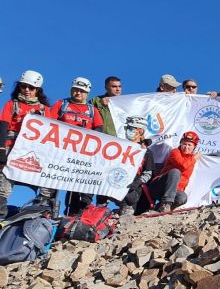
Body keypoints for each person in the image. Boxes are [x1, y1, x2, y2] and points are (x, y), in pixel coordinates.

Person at [0, 70, 56, 218]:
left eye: (31, 88)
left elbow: (52, 133)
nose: (26, 90)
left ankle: (40, 211)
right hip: (11, 145)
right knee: (4, 178)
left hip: (34, 149)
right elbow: (3, 126)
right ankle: (0, 213)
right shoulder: (12, 104)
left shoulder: (44, 109)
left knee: (46, 177)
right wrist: (0, 150)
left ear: (37, 90)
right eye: (23, 86)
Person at [52, 77, 105, 215]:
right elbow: (48, 122)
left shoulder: (91, 110)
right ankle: (48, 207)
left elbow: (99, 128)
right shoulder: (61, 104)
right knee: (53, 177)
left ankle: (74, 212)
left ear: (87, 93)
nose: (78, 93)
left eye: (82, 91)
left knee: (76, 181)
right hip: (60, 149)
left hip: (81, 152)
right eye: (75, 90)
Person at [97, 116, 155, 215]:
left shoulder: (146, 152)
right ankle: (99, 211)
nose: (128, 130)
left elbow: (148, 173)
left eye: (131, 128)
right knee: (102, 187)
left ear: (141, 130)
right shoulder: (119, 147)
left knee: (127, 210)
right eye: (126, 128)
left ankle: (123, 213)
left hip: (132, 190)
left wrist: (138, 182)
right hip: (113, 185)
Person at [146, 131, 201, 213]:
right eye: (184, 144)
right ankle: (166, 204)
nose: (186, 147)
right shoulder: (175, 152)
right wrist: (194, 159)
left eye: (189, 145)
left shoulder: (192, 158)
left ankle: (159, 209)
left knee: (182, 197)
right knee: (175, 172)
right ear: (181, 144)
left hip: (174, 191)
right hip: (158, 187)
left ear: (194, 147)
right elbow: (183, 165)